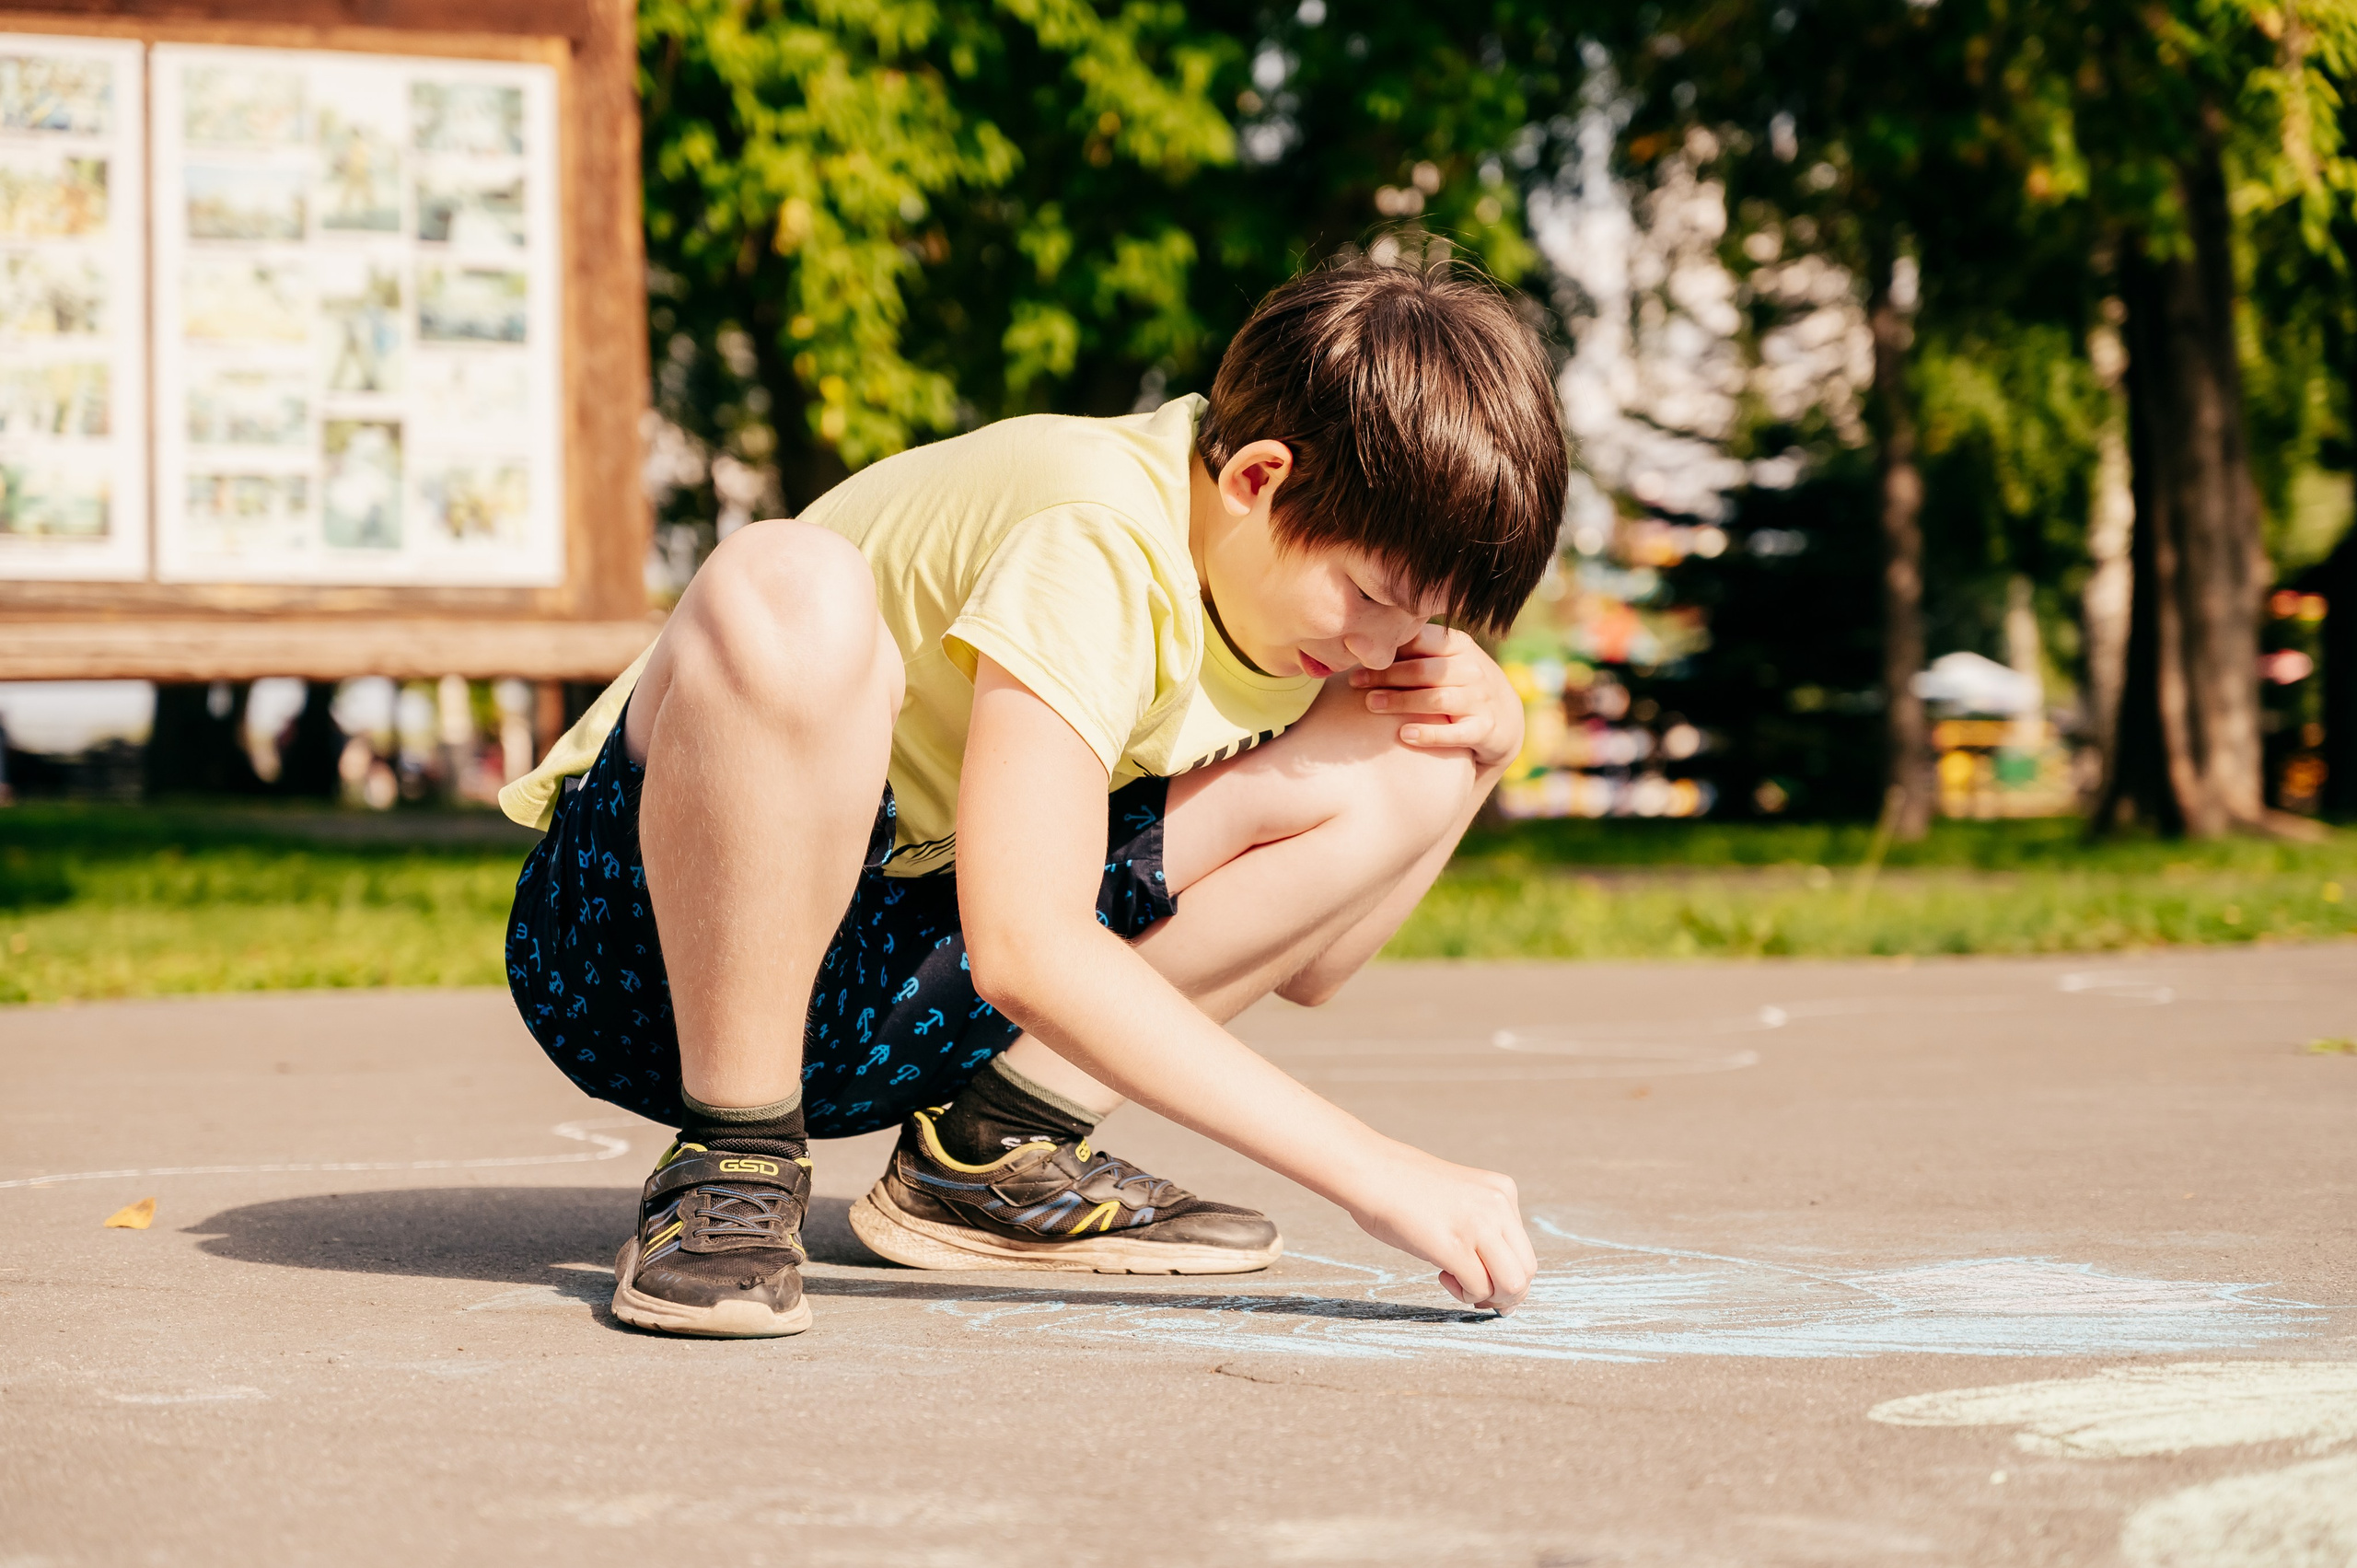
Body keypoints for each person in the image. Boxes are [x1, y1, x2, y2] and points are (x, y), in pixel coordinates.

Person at [501, 255, 1570, 1339]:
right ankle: (734, 1154)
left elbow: (1320, 964)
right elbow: (1022, 946)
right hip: (644, 956)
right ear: (1254, 479)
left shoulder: (1289, 603)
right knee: (790, 579)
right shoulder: (1099, 531)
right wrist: (1375, 1172)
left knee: (1424, 722)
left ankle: (992, 1155)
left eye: (1419, 615)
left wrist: (1478, 757)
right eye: (1373, 596)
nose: (1379, 643)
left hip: (888, 986)